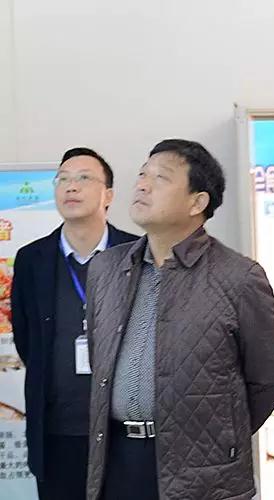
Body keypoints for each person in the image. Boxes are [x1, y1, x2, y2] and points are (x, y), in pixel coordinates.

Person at [83, 139, 274, 500]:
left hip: (201, 471)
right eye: (142, 174)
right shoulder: (106, 268)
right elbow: (98, 356)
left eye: (160, 178)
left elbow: (270, 376)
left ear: (197, 202)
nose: (142, 185)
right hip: (116, 460)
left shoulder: (238, 277)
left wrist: (220, 435)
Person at [11, 147, 138, 499]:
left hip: (122, 432)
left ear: (108, 195)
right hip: (56, 432)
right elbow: (27, 339)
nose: (71, 186)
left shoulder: (137, 253)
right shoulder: (32, 259)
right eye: (62, 179)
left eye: (83, 178)